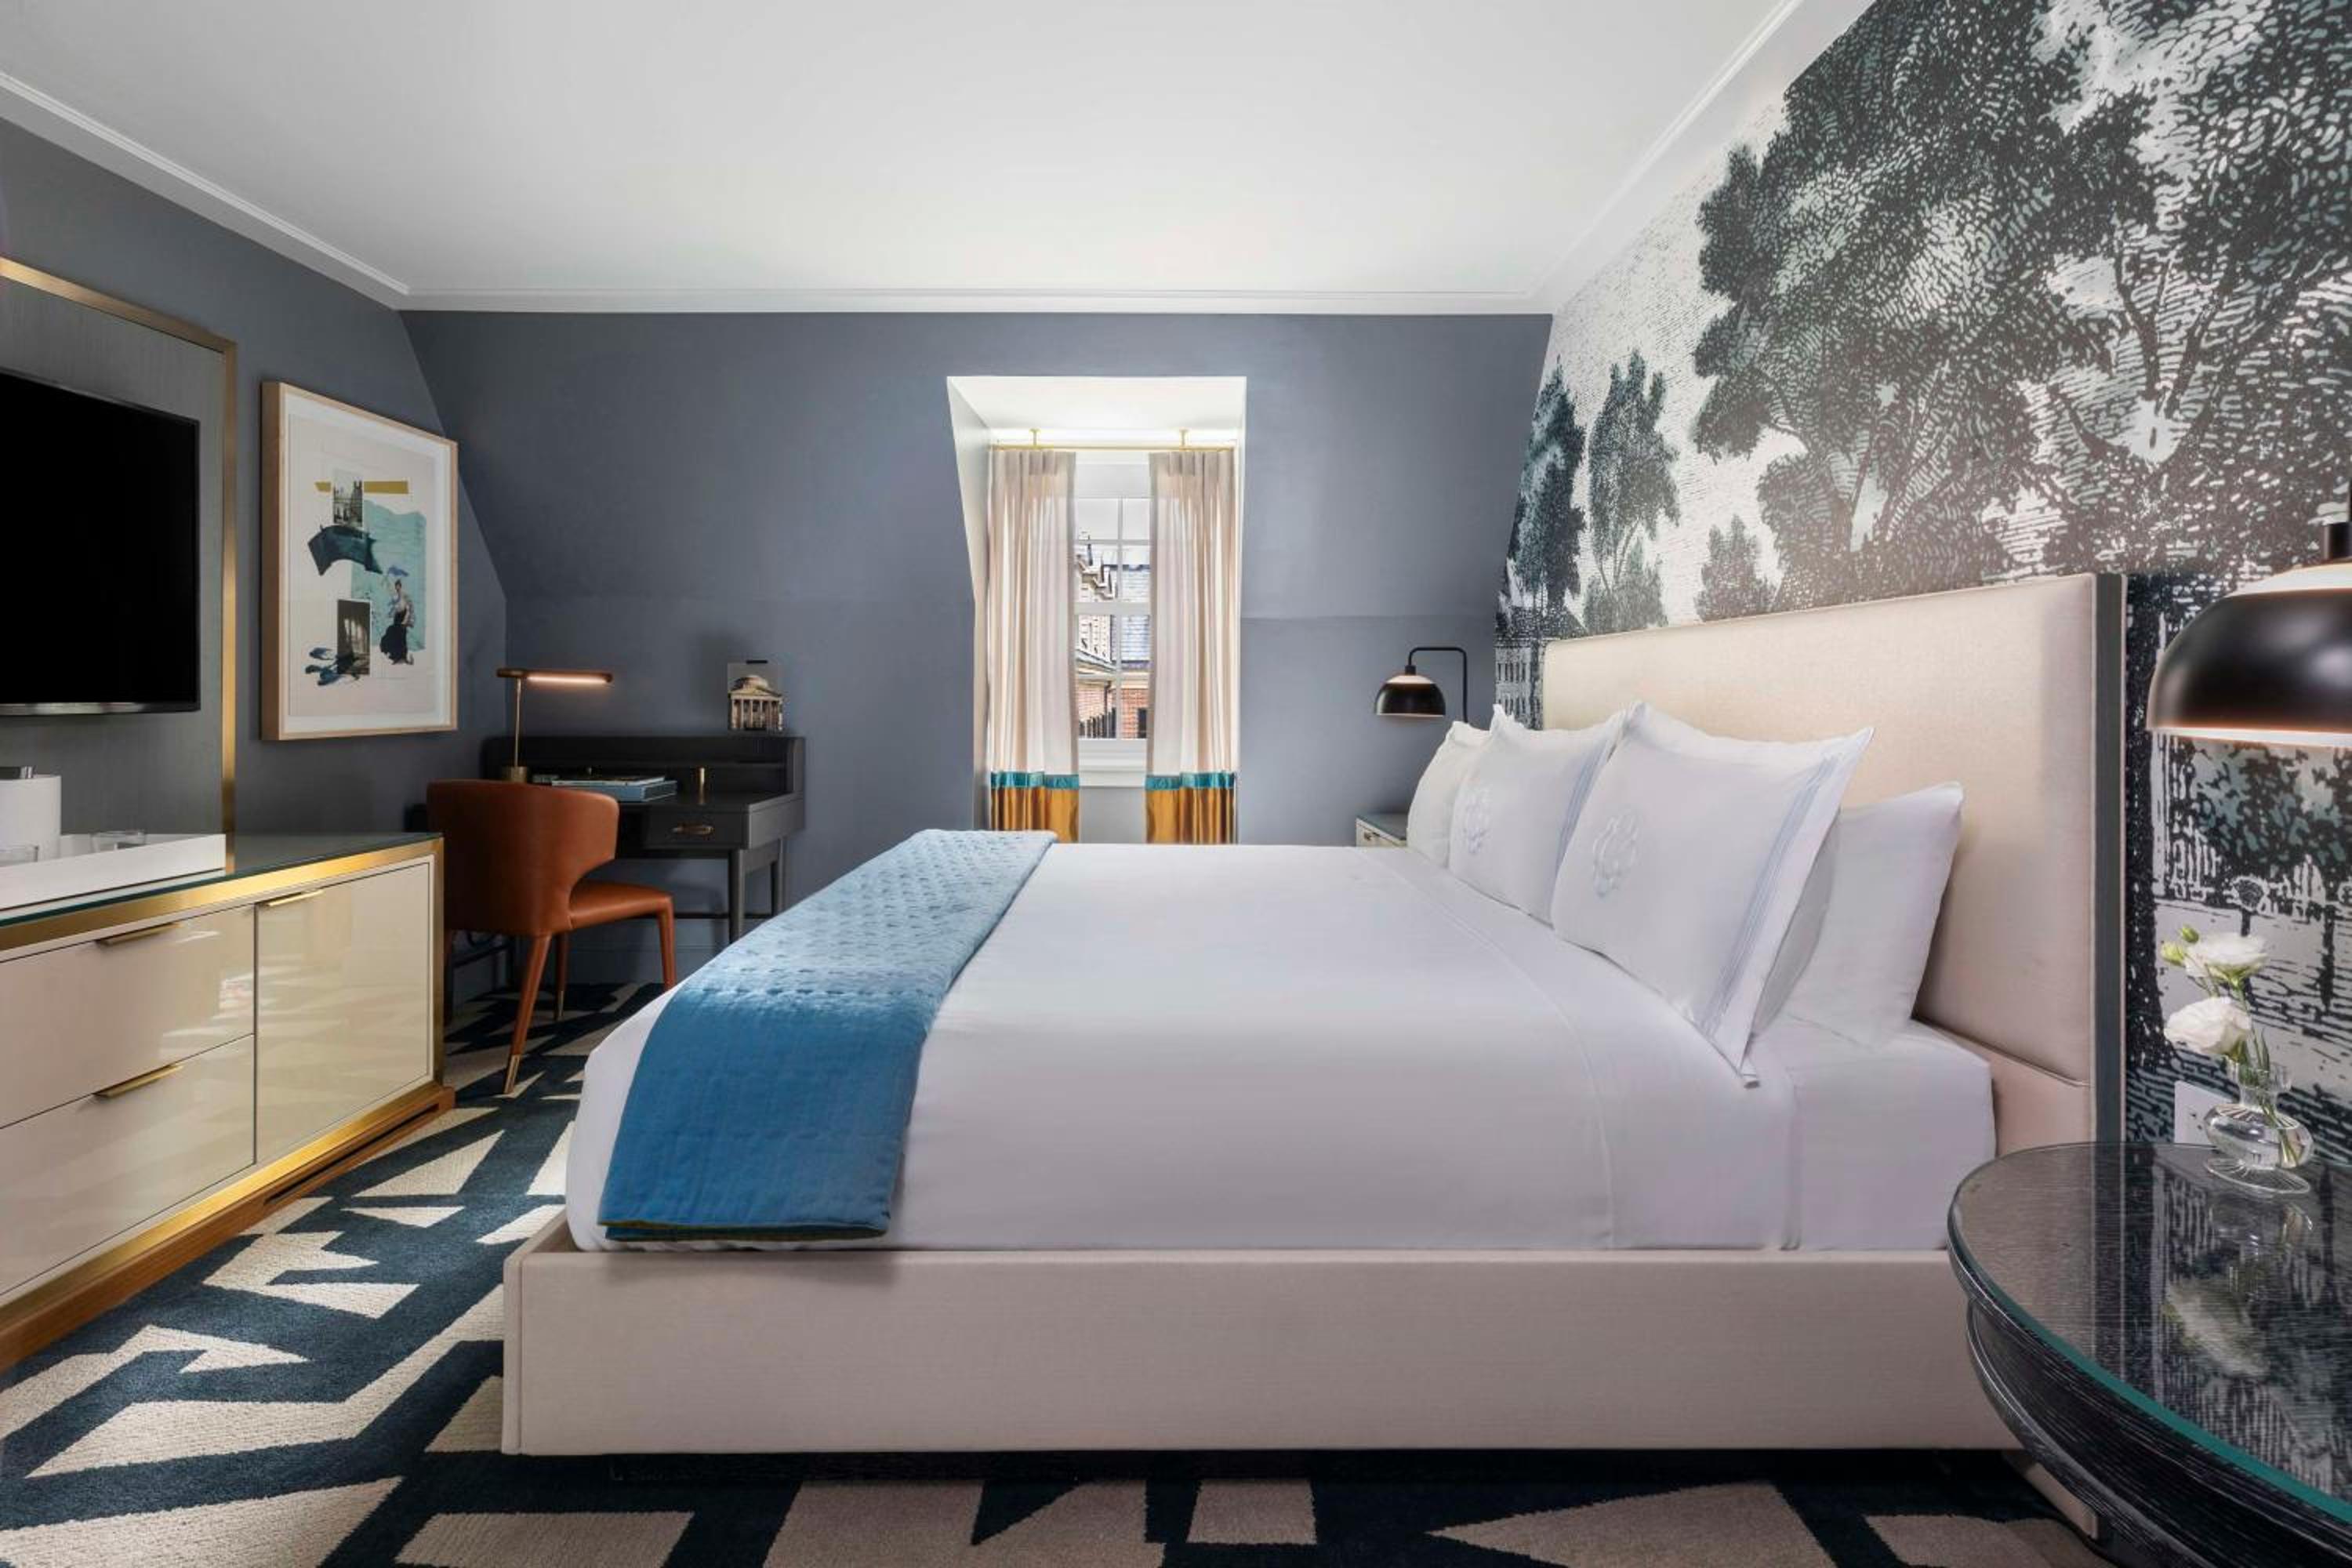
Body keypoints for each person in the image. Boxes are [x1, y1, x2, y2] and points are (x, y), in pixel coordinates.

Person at [380, 578, 415, 666]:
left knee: (402, 638)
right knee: (394, 636)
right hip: (397, 617)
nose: (397, 588)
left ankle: (404, 657)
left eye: (398, 586)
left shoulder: (405, 596)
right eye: (396, 586)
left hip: (403, 618)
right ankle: (396, 657)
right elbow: (395, 608)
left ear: (400, 586)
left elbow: (409, 609)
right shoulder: (396, 596)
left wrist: (405, 621)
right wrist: (390, 614)